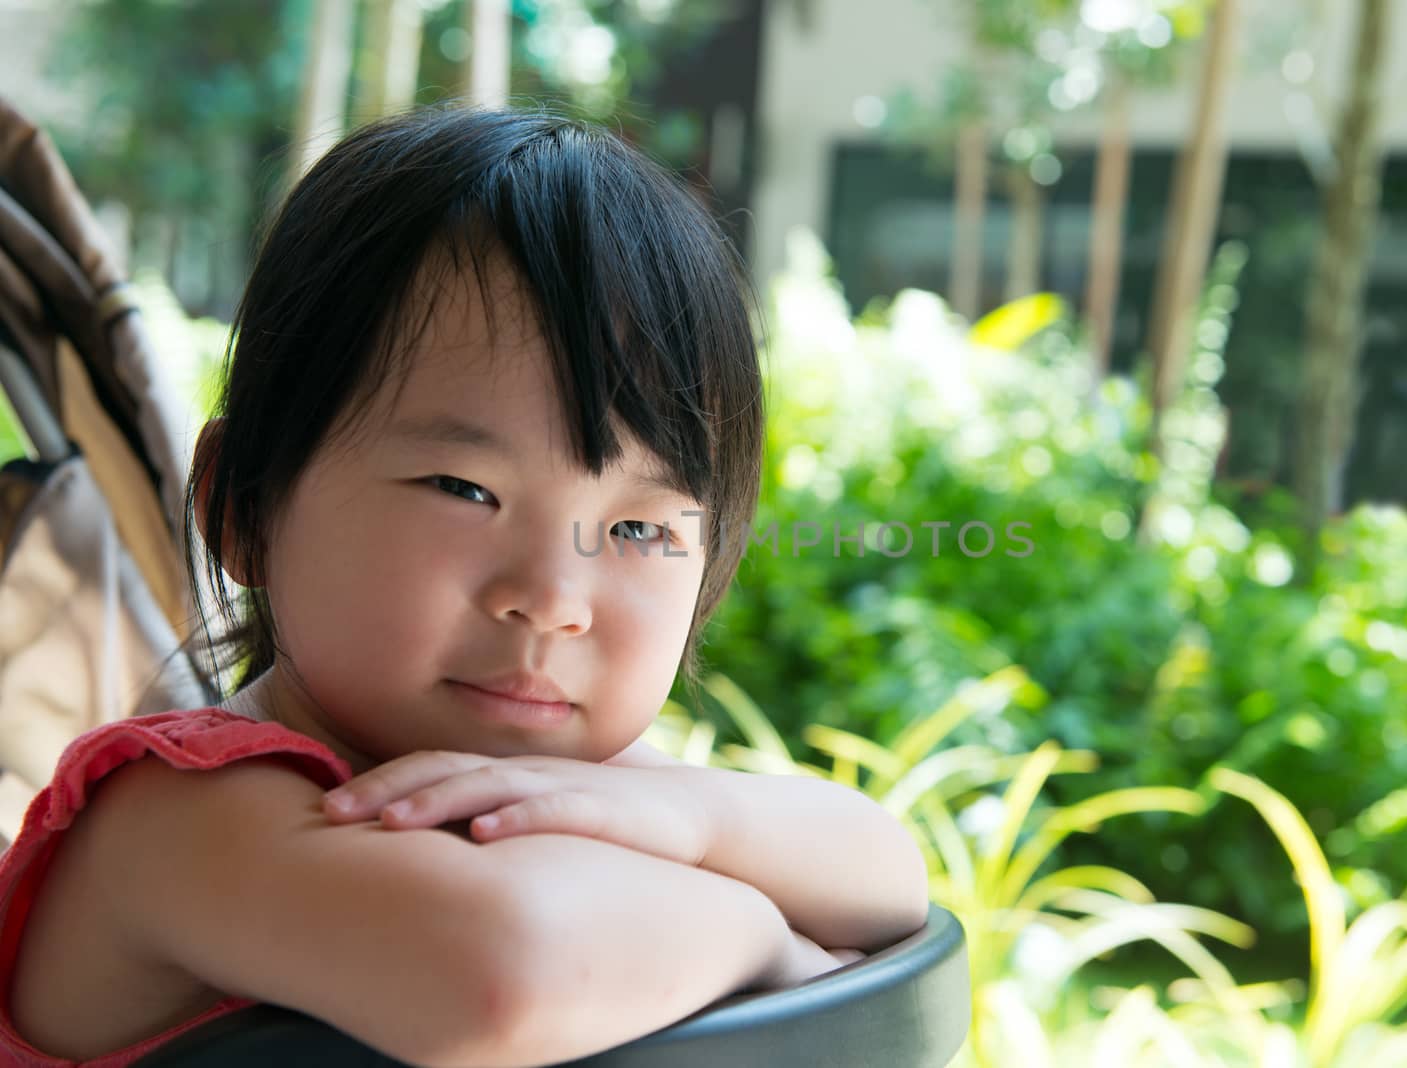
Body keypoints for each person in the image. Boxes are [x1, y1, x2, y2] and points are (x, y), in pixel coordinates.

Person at [0, 106, 929, 1068]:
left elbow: (887, 874)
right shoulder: (184, 819)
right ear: (242, 505)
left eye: (640, 528)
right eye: (464, 489)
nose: (553, 596)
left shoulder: (565, 781)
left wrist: (694, 819)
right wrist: (767, 941)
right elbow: (506, 976)